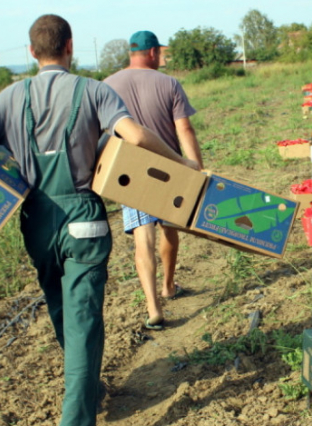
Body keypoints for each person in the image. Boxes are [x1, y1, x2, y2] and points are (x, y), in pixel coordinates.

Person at [0, 14, 198, 426]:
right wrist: (179, 162)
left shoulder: (9, 97)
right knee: (84, 321)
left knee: (62, 312)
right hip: (83, 219)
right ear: (70, 47)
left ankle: (85, 387)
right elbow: (134, 136)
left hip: (36, 224)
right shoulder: (92, 91)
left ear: (32, 52)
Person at [103, 30, 204, 331]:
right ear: (151, 53)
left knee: (142, 238)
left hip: (130, 174)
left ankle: (153, 306)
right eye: (159, 53)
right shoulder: (168, 83)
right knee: (170, 229)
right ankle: (169, 286)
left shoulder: (106, 86)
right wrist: (195, 167)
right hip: (170, 169)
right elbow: (184, 129)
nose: (160, 57)